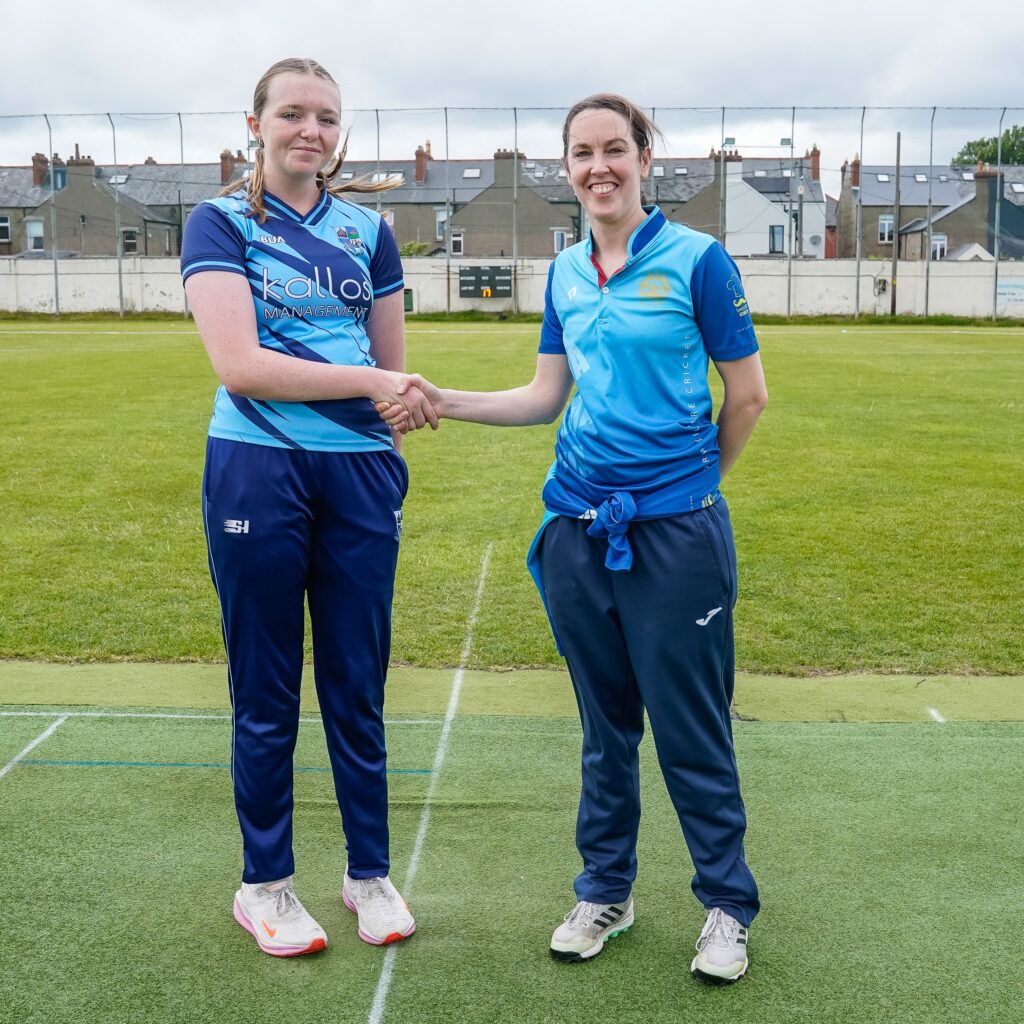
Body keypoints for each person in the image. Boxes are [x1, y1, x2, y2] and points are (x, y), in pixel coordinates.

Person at [380, 94, 768, 984]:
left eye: (615, 149)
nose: (600, 167)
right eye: (583, 153)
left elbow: (747, 397)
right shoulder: (564, 272)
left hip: (676, 538)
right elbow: (545, 397)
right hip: (578, 529)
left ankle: (726, 906)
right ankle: (605, 892)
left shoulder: (699, 262)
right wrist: (442, 400)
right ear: (567, 169)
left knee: (692, 731)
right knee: (604, 730)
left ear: (644, 160)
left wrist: (689, 492)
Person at [180, 57, 437, 958]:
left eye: (326, 117)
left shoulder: (369, 231)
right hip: (257, 466)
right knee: (266, 687)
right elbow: (240, 365)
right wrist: (372, 386)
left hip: (359, 475)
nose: (311, 131)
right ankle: (266, 886)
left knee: (358, 684)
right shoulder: (217, 221)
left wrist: (389, 438)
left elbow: (393, 377)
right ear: (255, 124)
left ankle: (369, 874)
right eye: (292, 113)